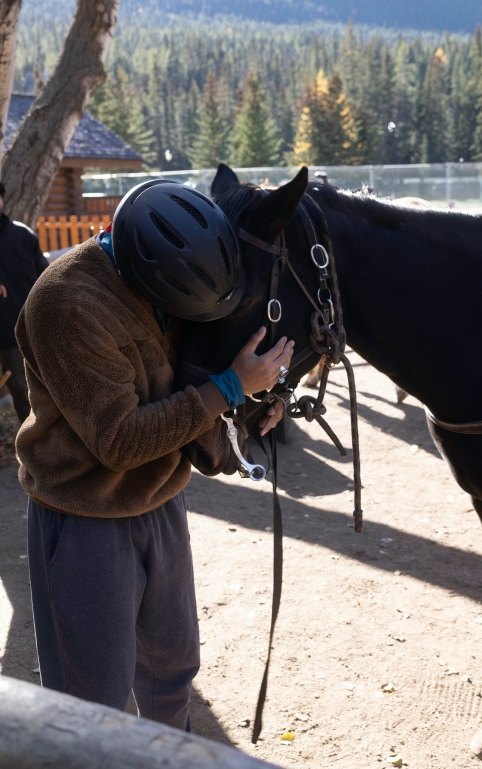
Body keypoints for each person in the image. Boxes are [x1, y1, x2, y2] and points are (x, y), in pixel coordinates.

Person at [15, 180, 294, 730]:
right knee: (90, 701)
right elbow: (119, 441)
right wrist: (230, 388)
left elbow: (191, 373)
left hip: (162, 502)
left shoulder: (178, 276)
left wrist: (256, 401)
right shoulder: (66, 303)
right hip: (85, 519)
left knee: (172, 672)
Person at [0, 182, 48, 423]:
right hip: (5, 330)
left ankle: (38, 440)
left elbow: (45, 277)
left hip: (28, 326)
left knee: (32, 388)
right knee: (19, 388)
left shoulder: (22, 235)